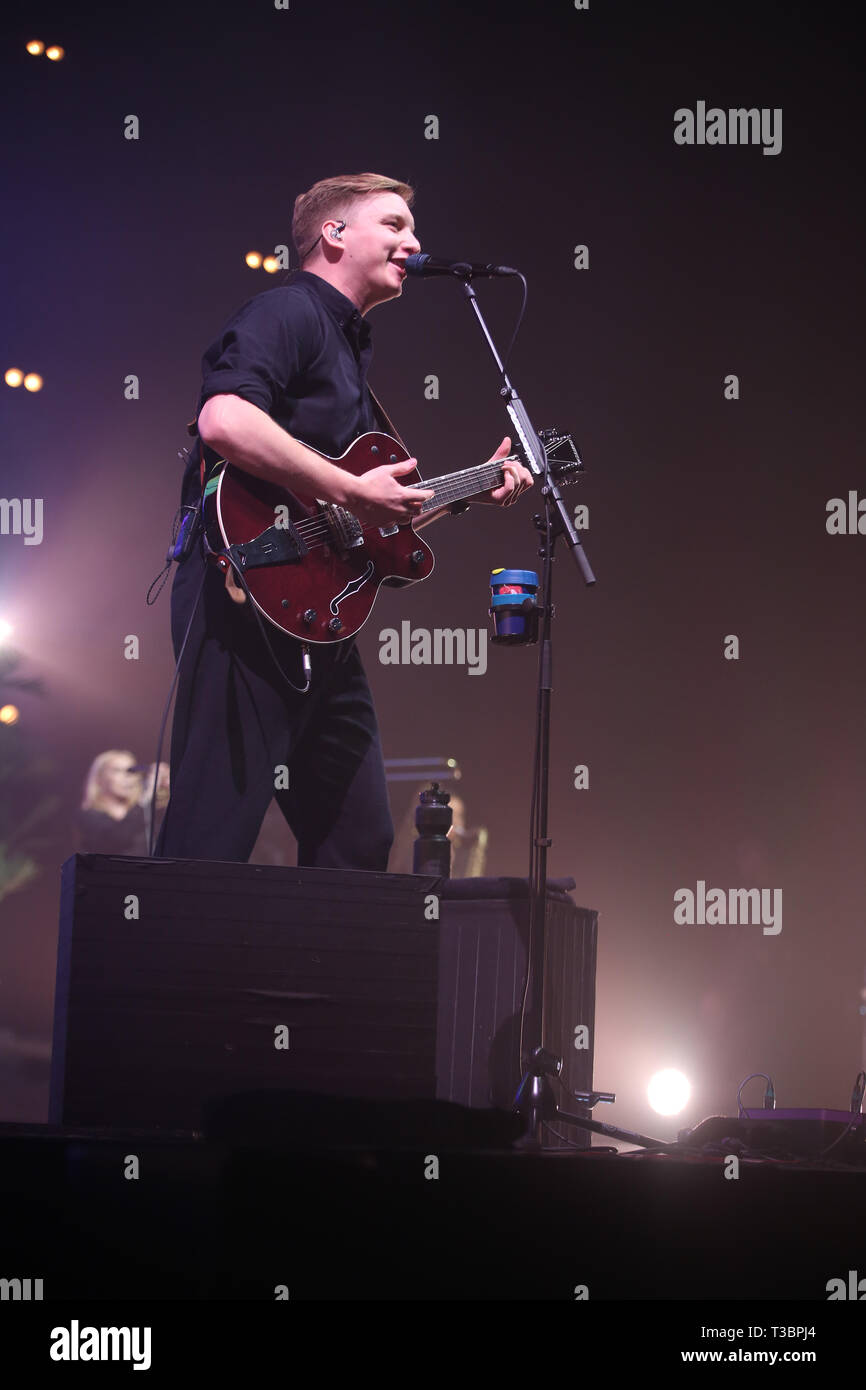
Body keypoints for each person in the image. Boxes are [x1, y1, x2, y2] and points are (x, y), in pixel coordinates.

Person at [155, 172, 532, 869]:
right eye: (393, 226)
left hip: (315, 619)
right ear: (332, 235)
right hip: (243, 597)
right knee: (211, 838)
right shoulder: (289, 311)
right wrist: (352, 490)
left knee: (358, 840)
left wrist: (470, 491)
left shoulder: (349, 348)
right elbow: (224, 418)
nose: (413, 243)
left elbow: (353, 524)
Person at [78, 750, 149, 855]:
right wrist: (145, 801)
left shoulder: (146, 813)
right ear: (100, 777)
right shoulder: (88, 816)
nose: (127, 777)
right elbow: (114, 841)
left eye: (131, 771)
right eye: (117, 771)